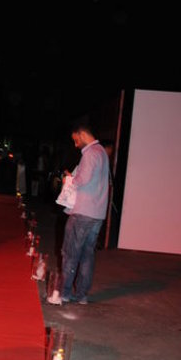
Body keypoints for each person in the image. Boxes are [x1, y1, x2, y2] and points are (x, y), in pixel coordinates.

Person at [59, 118, 109, 304]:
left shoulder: (90, 153)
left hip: (83, 212)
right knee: (87, 254)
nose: (75, 144)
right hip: (97, 213)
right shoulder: (102, 152)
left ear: (82, 134)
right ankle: (82, 295)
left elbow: (83, 179)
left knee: (71, 253)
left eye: (76, 140)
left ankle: (64, 293)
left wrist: (69, 179)